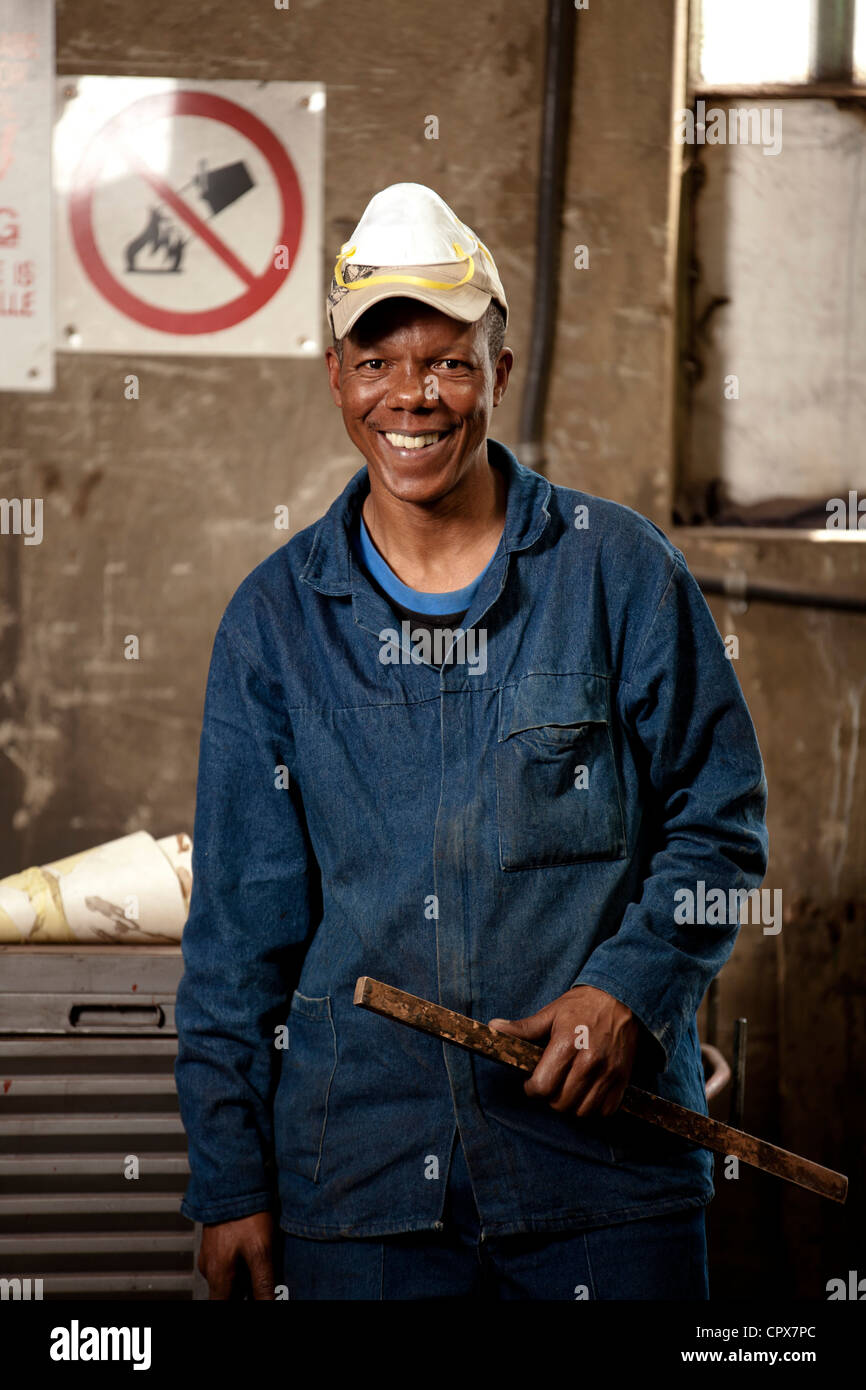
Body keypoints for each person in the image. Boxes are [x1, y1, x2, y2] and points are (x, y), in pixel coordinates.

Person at [174, 182, 768, 1301]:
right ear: (337, 380)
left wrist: (628, 992)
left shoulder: (616, 571)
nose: (413, 396)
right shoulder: (275, 620)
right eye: (377, 362)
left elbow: (721, 828)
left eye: (447, 361)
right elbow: (237, 933)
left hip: (603, 1188)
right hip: (361, 1190)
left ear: (497, 372)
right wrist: (228, 1181)